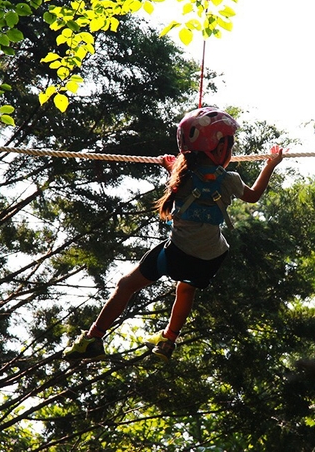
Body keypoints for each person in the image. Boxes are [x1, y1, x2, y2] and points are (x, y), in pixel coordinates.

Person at [63, 107, 284, 361]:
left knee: (126, 285)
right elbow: (254, 196)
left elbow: (189, 182)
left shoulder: (182, 176)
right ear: (220, 149)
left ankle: (94, 337)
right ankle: (168, 340)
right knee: (186, 290)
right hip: (211, 258)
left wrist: (171, 168)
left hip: (177, 253)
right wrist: (270, 165)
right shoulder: (229, 180)